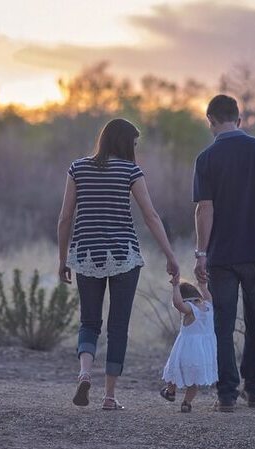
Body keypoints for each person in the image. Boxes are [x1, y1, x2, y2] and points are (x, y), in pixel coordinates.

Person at [57, 118, 180, 410]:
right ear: (125, 143)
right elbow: (150, 216)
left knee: (89, 321)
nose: (135, 149)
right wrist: (170, 255)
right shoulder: (130, 171)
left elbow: (64, 218)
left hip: (86, 254)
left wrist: (63, 259)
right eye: (134, 143)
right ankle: (109, 396)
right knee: (118, 326)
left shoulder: (78, 168)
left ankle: (85, 372)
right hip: (124, 256)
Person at [192, 94, 255, 412]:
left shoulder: (206, 158)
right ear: (239, 119)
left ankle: (226, 395)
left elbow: (204, 209)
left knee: (223, 324)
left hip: (222, 256)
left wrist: (201, 253)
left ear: (210, 120)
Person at [159, 279, 218, 412]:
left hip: (186, 350)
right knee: (194, 379)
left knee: (174, 370)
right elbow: (207, 295)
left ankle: (170, 391)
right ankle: (186, 402)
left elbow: (178, 303)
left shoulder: (190, 309)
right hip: (203, 353)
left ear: (185, 299)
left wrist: (175, 287)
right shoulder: (209, 305)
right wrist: (202, 285)